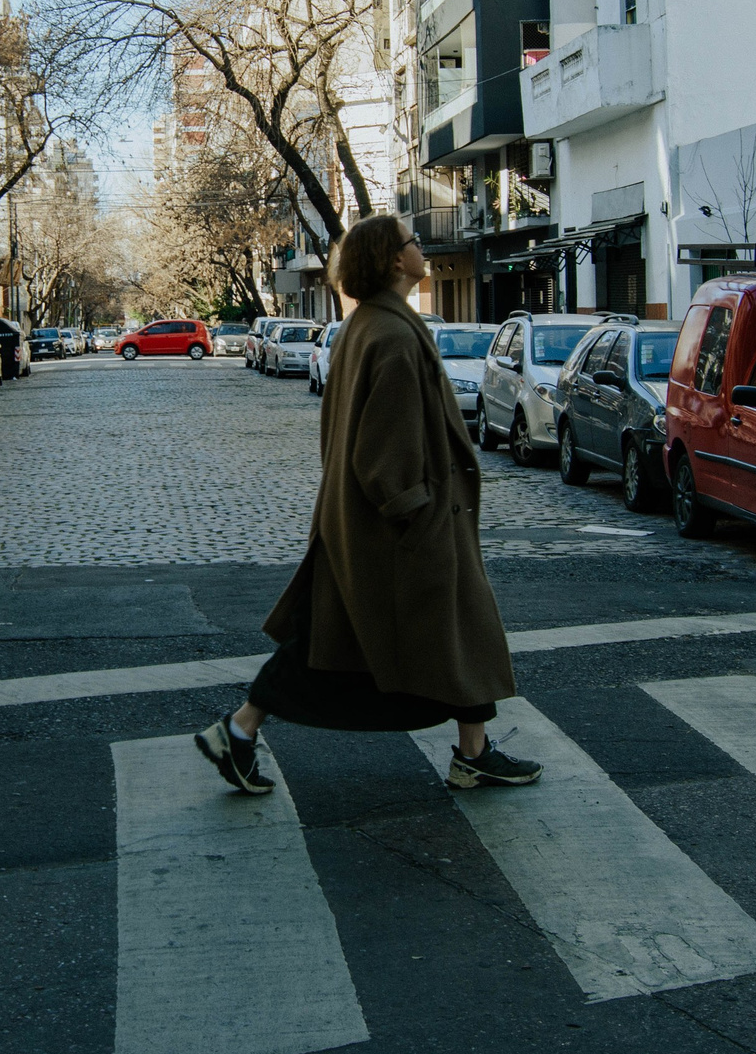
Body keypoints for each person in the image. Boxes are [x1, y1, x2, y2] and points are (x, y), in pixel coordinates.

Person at [197, 214, 540, 794]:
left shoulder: (369, 325)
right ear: (393, 260)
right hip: (396, 529)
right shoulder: (394, 335)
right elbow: (383, 453)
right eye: (411, 242)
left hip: (366, 522)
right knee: (348, 643)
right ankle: (239, 728)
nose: (420, 247)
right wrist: (417, 513)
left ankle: (473, 751)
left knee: (446, 630)